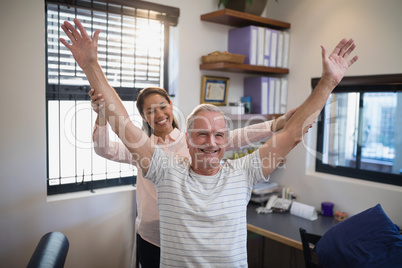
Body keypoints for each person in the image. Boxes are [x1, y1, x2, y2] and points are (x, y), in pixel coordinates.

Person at [60, 18, 358, 267]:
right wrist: (91, 66)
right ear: (188, 140)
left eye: (218, 135)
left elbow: (291, 135)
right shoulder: (165, 169)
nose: (211, 143)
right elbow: (121, 123)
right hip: (151, 237)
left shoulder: (243, 172)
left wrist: (327, 83)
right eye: (201, 134)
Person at [89, 85, 295, 268]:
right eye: (150, 111)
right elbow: (104, 149)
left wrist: (275, 125)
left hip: (188, 237)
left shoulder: (195, 140)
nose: (159, 114)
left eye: (162, 106)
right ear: (144, 117)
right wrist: (102, 115)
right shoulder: (142, 149)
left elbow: (239, 136)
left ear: (171, 105)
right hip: (152, 237)